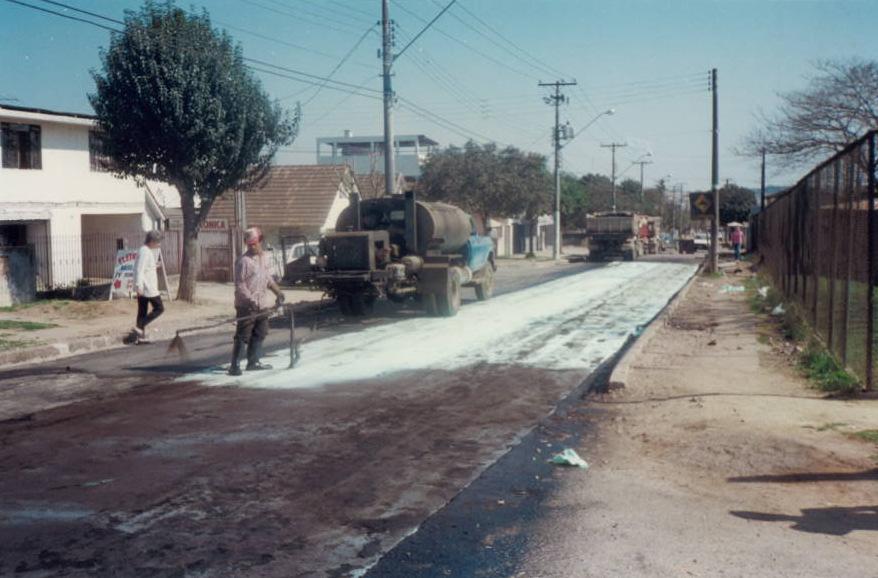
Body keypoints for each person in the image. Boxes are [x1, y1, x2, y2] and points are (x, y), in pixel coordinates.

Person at [229, 227, 285, 376]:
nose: (252, 247)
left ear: (260, 241)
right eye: (249, 244)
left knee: (261, 332)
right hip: (246, 305)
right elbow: (240, 285)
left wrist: (278, 292)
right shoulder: (243, 262)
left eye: (254, 243)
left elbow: (268, 279)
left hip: (262, 303)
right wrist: (251, 300)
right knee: (243, 335)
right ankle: (234, 366)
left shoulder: (264, 258)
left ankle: (253, 362)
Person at [132, 230, 165, 344]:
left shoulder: (144, 250)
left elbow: (144, 268)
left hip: (144, 286)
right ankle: (140, 326)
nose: (158, 244)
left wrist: (154, 265)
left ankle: (140, 337)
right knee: (159, 308)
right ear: (151, 241)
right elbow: (139, 270)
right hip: (147, 287)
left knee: (142, 311)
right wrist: (139, 286)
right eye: (157, 242)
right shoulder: (145, 252)